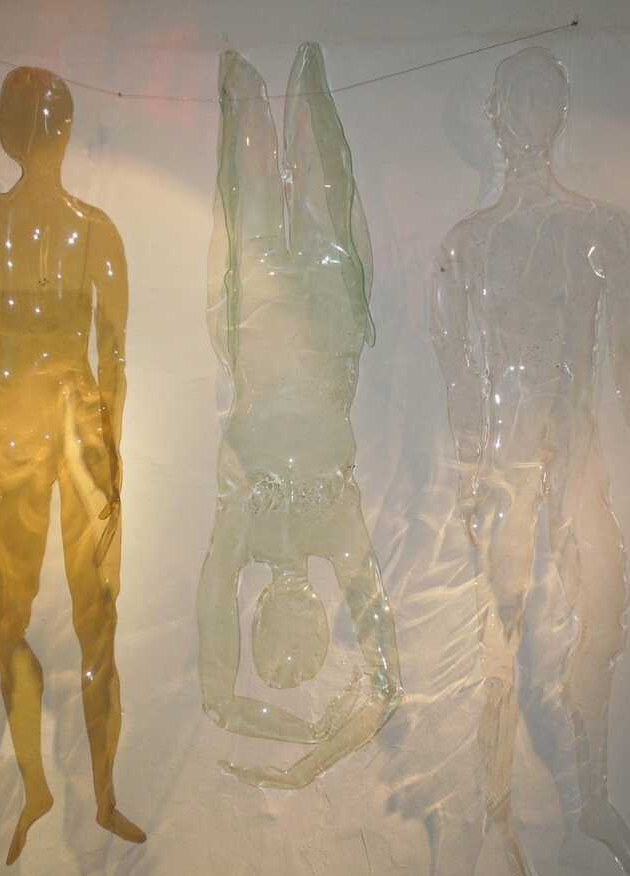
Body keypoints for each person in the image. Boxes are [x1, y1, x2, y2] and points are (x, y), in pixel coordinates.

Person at [431, 46, 630, 876]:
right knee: (501, 639)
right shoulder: (467, 246)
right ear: (496, 117)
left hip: (577, 462)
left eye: (545, 99)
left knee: (601, 618)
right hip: (506, 471)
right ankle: (497, 812)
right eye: (518, 100)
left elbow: (626, 362)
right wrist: (469, 478)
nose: (531, 116)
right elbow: (461, 381)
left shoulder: (602, 232)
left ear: (560, 113)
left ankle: (592, 798)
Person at [0, 67, 144, 865]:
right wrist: (112, 467)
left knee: (18, 620)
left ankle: (53, 789)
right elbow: (114, 362)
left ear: (6, 133)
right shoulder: (95, 231)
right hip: (73, 429)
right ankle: (89, 795)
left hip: (21, 425)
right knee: (88, 618)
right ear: (68, 131)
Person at [198, 43, 402, 789]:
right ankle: (299, 69)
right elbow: (387, 682)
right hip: (326, 330)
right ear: (323, 621)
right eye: (309, 648)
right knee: (318, 157)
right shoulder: (336, 531)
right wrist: (309, 759)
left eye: (274, 647)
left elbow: (219, 698)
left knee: (248, 151)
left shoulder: (242, 533)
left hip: (258, 324)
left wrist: (298, 746)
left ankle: (244, 74)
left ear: (256, 622)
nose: (295, 635)